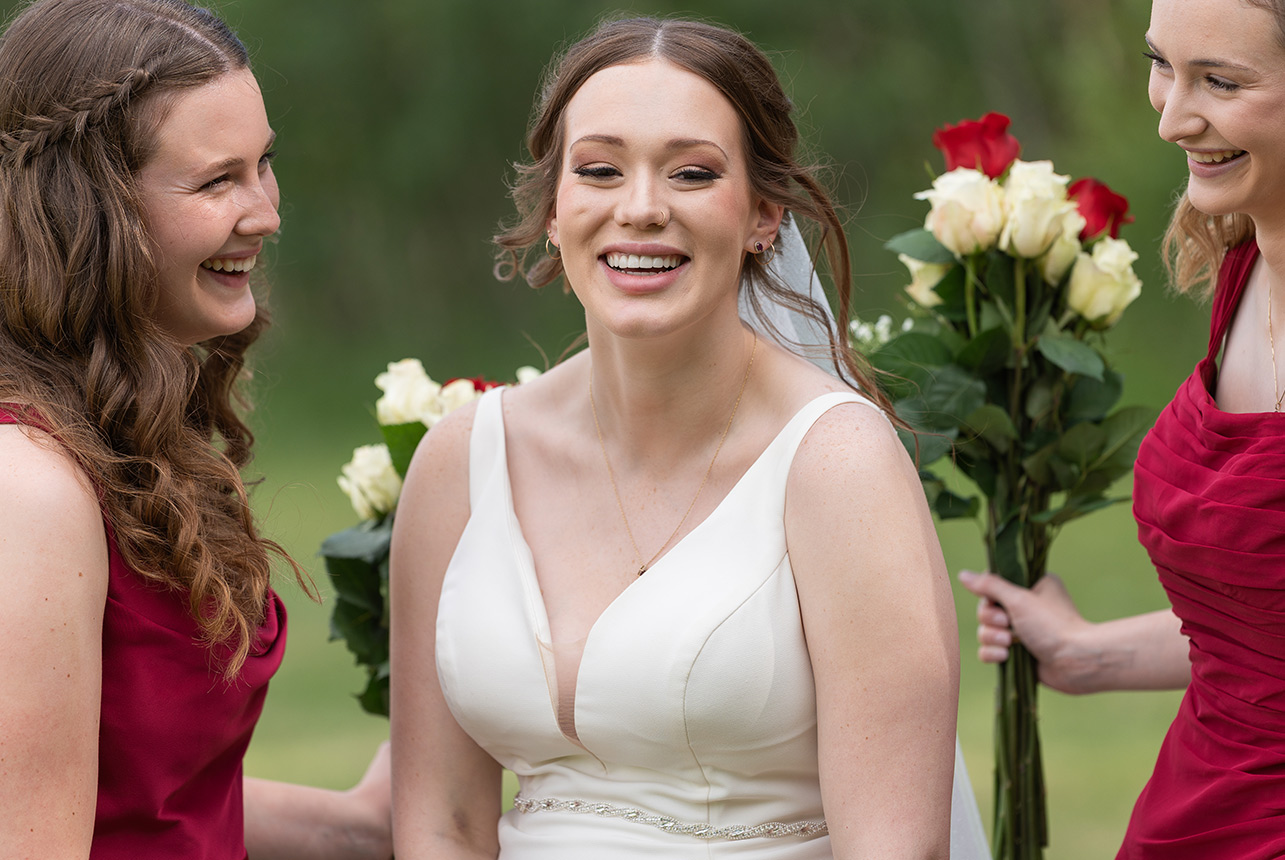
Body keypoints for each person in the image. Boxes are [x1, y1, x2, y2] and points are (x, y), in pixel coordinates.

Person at [389, 15, 986, 860]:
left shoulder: (834, 466)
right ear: (555, 211)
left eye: (692, 173)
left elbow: (894, 848)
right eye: (598, 170)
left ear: (762, 215)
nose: (640, 208)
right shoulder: (460, 462)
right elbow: (439, 824)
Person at [0, 0, 390, 857]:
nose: (266, 213)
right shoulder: (26, 484)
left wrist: (357, 828)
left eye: (264, 166)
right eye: (218, 181)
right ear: (86, 211)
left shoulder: (119, 432)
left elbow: (143, 795)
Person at [960, 0, 1285, 856]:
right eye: (1160, 65)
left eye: (1219, 81)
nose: (1172, 117)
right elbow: (1261, 635)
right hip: (1189, 811)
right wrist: (1085, 653)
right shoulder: (1245, 259)